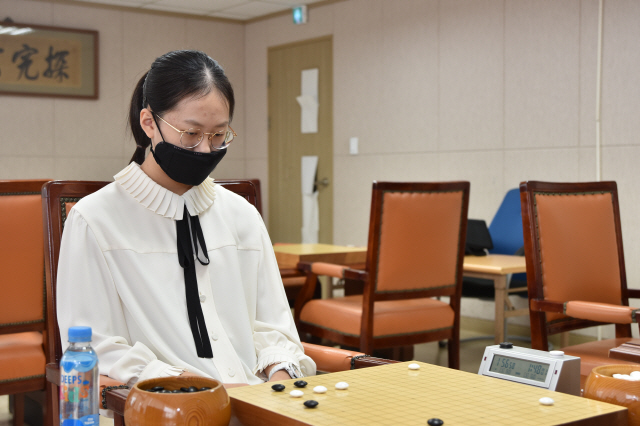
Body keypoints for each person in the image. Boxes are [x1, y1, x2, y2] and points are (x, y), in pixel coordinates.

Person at [56, 50, 316, 393]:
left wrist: (276, 385)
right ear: (149, 122)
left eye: (219, 135)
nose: (206, 150)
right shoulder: (95, 219)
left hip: (255, 400)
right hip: (160, 406)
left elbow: (275, 329)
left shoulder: (241, 215)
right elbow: (95, 346)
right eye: (191, 134)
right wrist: (195, 391)